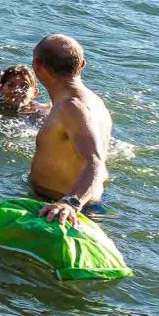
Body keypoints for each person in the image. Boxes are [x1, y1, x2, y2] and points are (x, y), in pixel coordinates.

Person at [29, 34, 111, 225]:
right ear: (82, 64)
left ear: (37, 66)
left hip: (62, 211)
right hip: (73, 204)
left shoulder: (72, 107)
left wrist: (71, 203)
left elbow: (94, 161)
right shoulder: (94, 101)